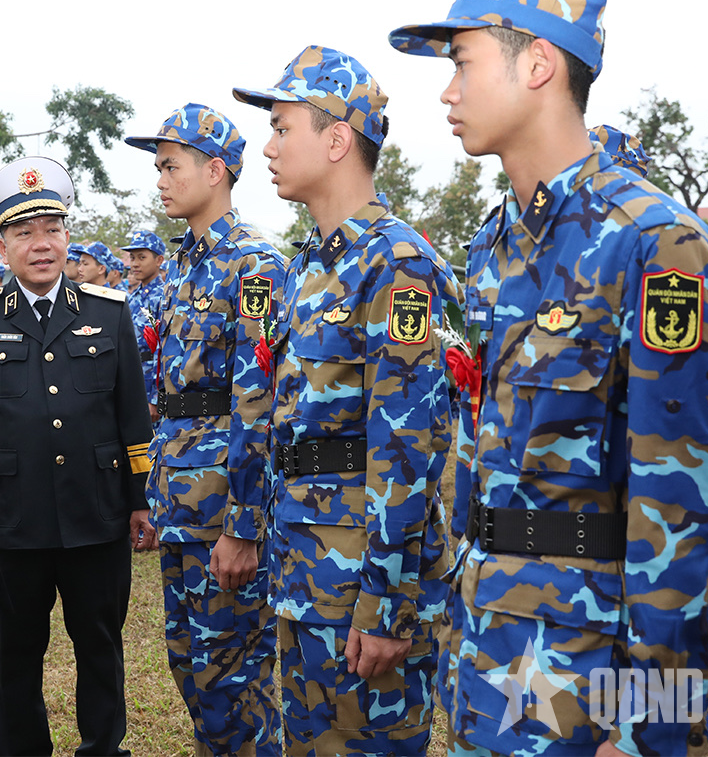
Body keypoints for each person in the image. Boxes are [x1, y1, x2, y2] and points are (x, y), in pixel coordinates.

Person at [390, 0, 708, 753]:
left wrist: (655, 724)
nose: (446, 90)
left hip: (589, 675)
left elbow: (679, 502)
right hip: (491, 645)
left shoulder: (652, 240)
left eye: (462, 63)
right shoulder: (494, 244)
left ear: (537, 62)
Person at [233, 47, 459, 755]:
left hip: (364, 586)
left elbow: (409, 444)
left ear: (336, 139)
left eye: (280, 127)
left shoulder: (395, 262)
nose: (266, 148)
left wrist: (387, 603)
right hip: (304, 569)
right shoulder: (308, 266)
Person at [0, 155, 154, 757]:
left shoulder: (108, 313)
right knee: (18, 650)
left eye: (53, 230)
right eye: (24, 233)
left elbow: (132, 419)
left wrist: (140, 502)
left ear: (68, 235)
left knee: (99, 645)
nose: (42, 245)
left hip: (97, 515)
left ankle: (102, 748)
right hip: (12, 522)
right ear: (2, 247)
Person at [124, 103, 284, 755]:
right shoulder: (182, 266)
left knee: (235, 688)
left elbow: (260, 400)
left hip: (223, 513)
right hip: (181, 508)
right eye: (158, 167)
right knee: (193, 674)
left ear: (214, 170)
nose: (159, 179)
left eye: (170, 165)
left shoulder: (255, 266)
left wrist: (243, 525)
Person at [122, 229, 167, 420]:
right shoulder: (132, 297)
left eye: (141, 257)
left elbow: (163, 349)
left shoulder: (164, 297)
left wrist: (155, 398)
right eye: (132, 258)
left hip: (150, 386)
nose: (135, 264)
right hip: (132, 379)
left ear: (159, 260)